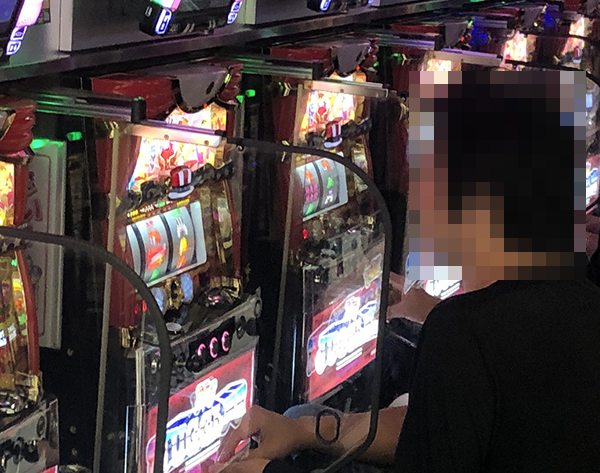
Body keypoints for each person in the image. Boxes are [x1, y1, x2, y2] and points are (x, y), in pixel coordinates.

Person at [213, 72, 599, 473]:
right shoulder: (579, 298)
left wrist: (267, 472)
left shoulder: (465, 333)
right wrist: (305, 430)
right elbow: (430, 433)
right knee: (300, 415)